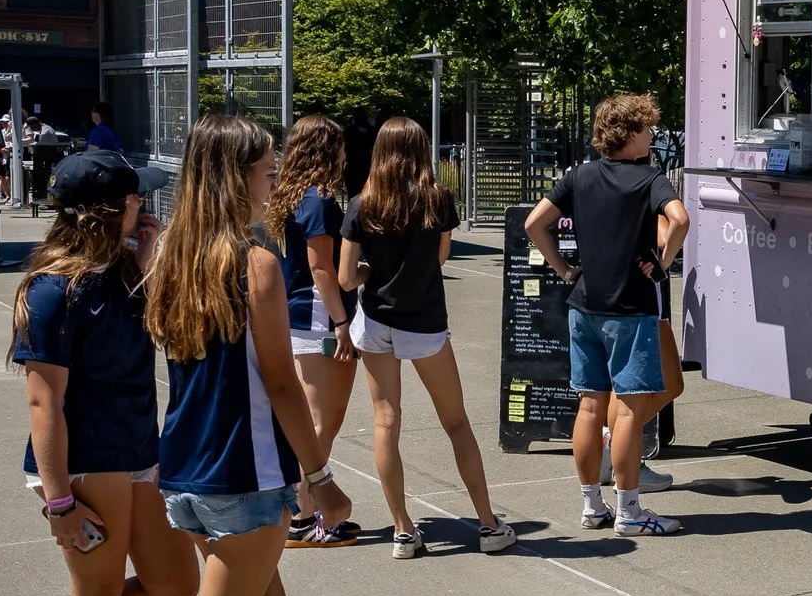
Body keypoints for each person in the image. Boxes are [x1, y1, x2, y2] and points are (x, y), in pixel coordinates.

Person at [128, 113, 357, 596]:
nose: (273, 183)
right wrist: (319, 477)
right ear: (235, 178)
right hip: (245, 475)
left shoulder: (167, 255)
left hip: (188, 472)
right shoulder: (252, 263)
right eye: (264, 171)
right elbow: (282, 384)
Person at [0, 151, 201, 596]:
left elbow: (178, 331)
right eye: (141, 201)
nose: (150, 209)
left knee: (175, 583)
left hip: (138, 450)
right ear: (109, 212)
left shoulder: (126, 274)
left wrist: (150, 257)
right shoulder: (55, 290)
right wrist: (58, 502)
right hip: (84, 463)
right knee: (99, 593)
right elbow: (43, 400)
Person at [338, 116, 514, 559]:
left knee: (385, 421)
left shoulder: (361, 204)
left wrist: (371, 271)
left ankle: (402, 530)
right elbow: (439, 257)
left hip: (376, 322)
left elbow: (344, 278)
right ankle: (489, 525)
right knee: (455, 423)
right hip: (425, 323)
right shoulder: (437, 199)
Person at [523, 94, 690, 537]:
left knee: (590, 406)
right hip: (628, 309)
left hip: (584, 306)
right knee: (631, 411)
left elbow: (534, 224)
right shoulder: (649, 179)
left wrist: (562, 268)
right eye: (648, 128)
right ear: (631, 134)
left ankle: (591, 506)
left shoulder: (579, 176)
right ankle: (630, 512)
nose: (652, 135)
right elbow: (680, 219)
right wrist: (664, 259)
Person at [267, 115, 362, 546]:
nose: (345, 152)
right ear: (328, 150)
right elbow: (321, 267)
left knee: (313, 418)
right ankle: (303, 516)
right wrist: (342, 322)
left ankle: (303, 510)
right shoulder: (319, 200)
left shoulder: (287, 195)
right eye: (339, 144)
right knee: (324, 421)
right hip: (320, 320)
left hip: (296, 317)